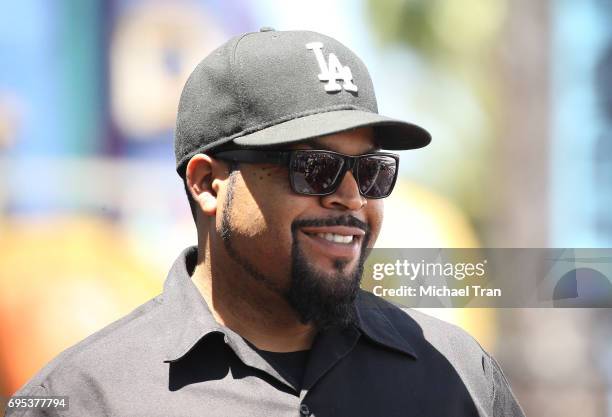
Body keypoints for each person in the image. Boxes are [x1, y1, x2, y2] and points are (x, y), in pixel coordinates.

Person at [7, 28, 525, 417]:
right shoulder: (83, 396)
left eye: (370, 171)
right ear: (208, 184)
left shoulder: (459, 374)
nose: (350, 197)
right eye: (315, 169)